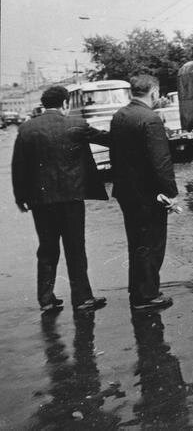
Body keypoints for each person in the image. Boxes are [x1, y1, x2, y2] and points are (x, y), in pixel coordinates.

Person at [11, 86, 109, 312]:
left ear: (44, 105)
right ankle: (83, 298)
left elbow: (18, 166)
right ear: (66, 103)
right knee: (75, 248)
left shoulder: (26, 129)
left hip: (40, 201)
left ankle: (46, 300)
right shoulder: (76, 125)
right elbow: (107, 139)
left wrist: (20, 197)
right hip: (71, 198)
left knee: (47, 249)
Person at [110, 74, 178, 312]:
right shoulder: (150, 119)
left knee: (137, 243)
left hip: (127, 192)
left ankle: (137, 291)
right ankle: (147, 296)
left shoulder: (119, 116)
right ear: (154, 93)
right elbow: (161, 161)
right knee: (152, 245)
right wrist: (170, 192)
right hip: (149, 195)